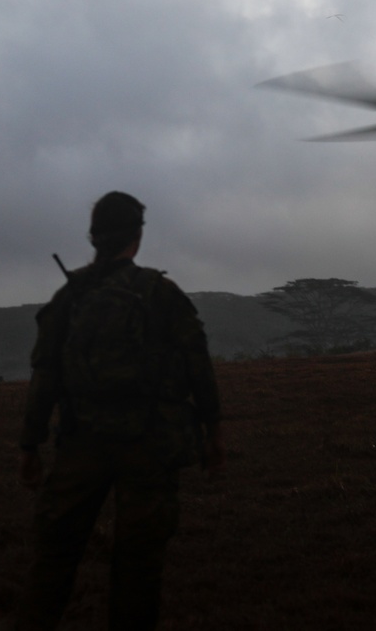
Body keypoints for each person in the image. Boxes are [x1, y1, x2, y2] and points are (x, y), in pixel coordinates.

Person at [15, 191, 224, 630]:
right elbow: (197, 362)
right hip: (149, 443)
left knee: (54, 558)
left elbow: (45, 373)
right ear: (137, 237)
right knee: (138, 566)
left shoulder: (69, 296)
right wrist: (213, 429)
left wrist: (29, 443)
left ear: (94, 237)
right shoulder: (160, 292)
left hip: (80, 443)